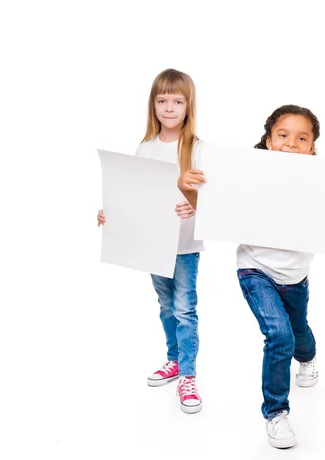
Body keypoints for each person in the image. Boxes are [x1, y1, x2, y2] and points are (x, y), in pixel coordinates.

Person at [178, 104, 325, 448]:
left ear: (312, 147)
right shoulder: (247, 174)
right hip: (255, 270)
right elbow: (214, 211)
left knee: (298, 332)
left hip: (296, 277)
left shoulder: (320, 183)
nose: (291, 143)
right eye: (283, 135)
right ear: (269, 141)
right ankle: (276, 413)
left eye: (302, 138)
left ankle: (309, 358)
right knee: (279, 335)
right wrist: (187, 188)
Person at [97, 69, 204, 414]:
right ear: (153, 105)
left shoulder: (196, 149)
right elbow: (133, 194)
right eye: (162, 100)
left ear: (188, 106)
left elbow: (212, 199)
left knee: (186, 309)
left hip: (184, 245)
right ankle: (173, 360)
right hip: (153, 245)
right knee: (167, 306)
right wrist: (110, 213)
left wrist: (193, 204)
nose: (169, 107)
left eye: (177, 101)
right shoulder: (144, 148)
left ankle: (188, 374)